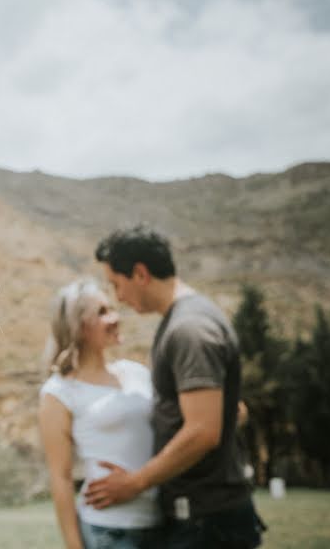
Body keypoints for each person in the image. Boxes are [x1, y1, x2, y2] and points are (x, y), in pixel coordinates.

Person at [87, 225, 264, 548]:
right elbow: (234, 411)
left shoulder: (189, 329)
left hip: (208, 522)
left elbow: (203, 430)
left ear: (140, 274)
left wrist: (135, 483)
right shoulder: (185, 319)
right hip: (204, 517)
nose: (118, 298)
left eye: (116, 284)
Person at [39, 279, 162, 549]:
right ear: (78, 326)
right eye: (103, 312)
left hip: (164, 522)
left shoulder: (136, 372)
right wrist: (74, 545)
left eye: (113, 309)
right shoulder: (58, 391)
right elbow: (60, 477)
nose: (116, 318)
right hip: (110, 531)